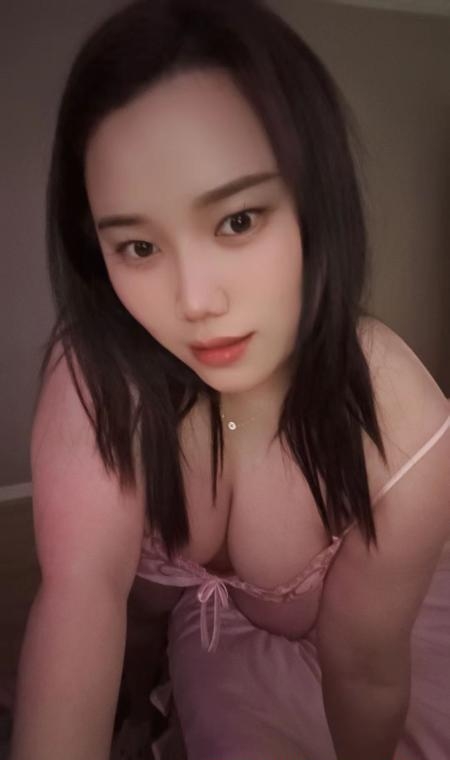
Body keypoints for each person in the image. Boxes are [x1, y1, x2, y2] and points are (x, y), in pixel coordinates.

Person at [9, 0, 449, 758]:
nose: (194, 302)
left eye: (238, 221)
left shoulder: (401, 431)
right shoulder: (100, 376)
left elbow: (365, 669)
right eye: (139, 247)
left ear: (316, 202)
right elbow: (80, 604)